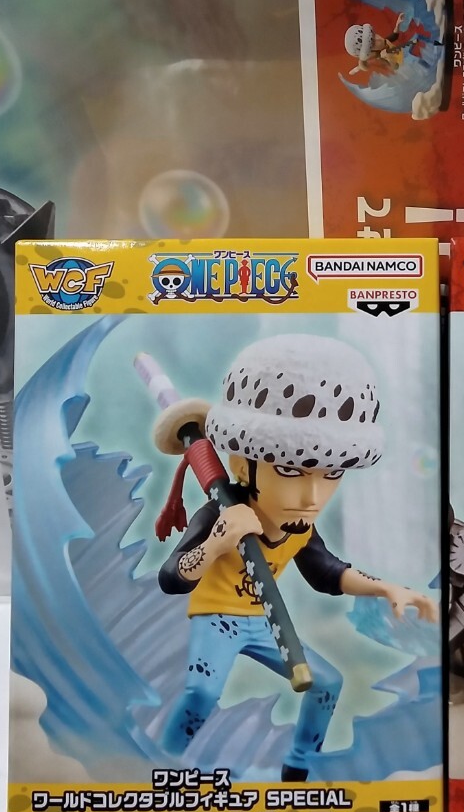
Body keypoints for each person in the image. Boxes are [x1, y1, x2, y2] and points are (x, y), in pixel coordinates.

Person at [156, 333, 438, 781]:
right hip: (218, 620)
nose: (312, 497)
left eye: (331, 474)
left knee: (326, 683)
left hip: (264, 623)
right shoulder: (218, 514)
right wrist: (217, 543)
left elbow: (326, 572)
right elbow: (172, 577)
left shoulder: (300, 526)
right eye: (289, 470)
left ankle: (299, 770)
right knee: (201, 694)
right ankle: (156, 770)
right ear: (241, 462)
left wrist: (386, 588)